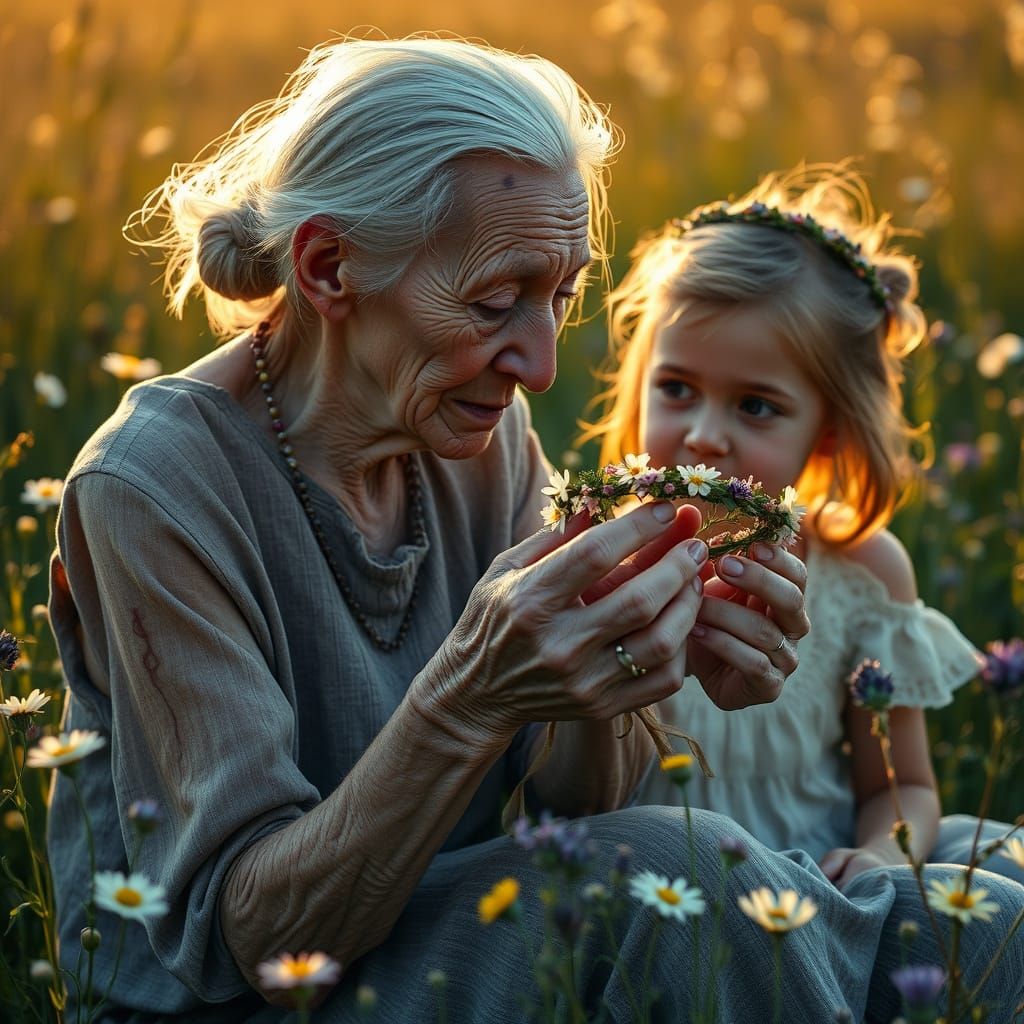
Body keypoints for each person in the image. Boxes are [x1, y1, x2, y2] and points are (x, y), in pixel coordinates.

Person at [41, 34, 1011, 1021]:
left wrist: (633, 661)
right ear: (329, 267)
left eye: (561, 295)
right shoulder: (156, 487)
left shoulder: (471, 427)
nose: (541, 366)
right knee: (683, 875)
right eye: (496, 300)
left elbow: (575, 815)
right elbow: (246, 936)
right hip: (263, 993)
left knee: (990, 880)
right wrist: (466, 702)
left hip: (456, 914)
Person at [581, 164, 1024, 1009]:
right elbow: (569, 792)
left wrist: (883, 855)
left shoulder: (862, 570)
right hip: (660, 896)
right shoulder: (601, 553)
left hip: (826, 875)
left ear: (828, 431)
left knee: (996, 915)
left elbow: (901, 785)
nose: (704, 435)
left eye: (755, 406)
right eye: (676, 389)